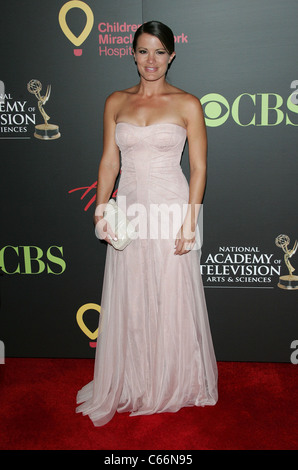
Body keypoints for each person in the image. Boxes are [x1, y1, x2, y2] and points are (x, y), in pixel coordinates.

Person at [76, 21, 218, 427]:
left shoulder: (188, 103)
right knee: (132, 292)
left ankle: (175, 378)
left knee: (172, 294)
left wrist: (190, 222)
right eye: (143, 51)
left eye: (159, 52)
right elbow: (109, 161)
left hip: (172, 208)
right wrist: (103, 208)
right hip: (132, 210)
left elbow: (199, 167)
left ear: (172, 55)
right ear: (132, 54)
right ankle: (135, 378)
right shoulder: (115, 101)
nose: (150, 60)